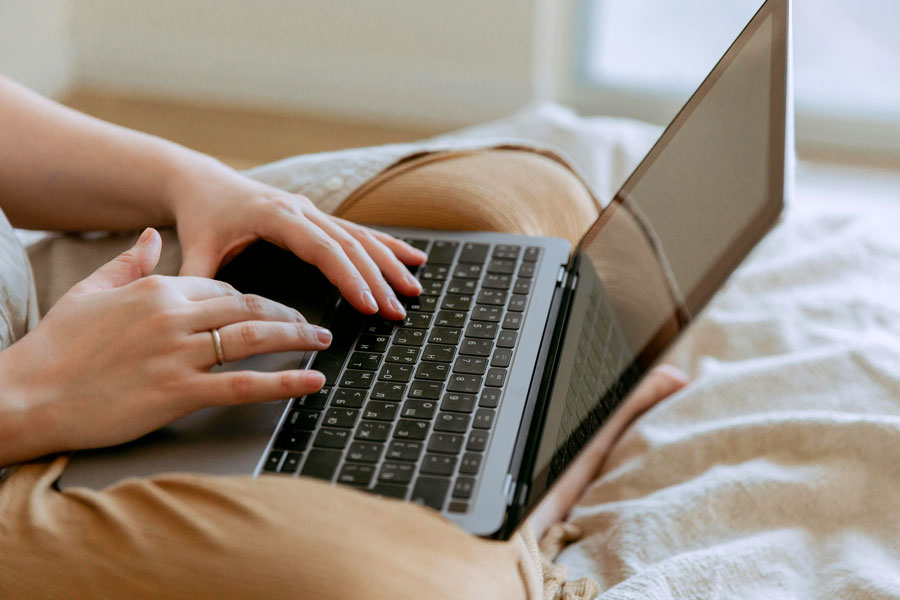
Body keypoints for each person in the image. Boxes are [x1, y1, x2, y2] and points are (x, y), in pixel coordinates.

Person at [0, 74, 687, 599]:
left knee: (518, 200)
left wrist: (197, 183)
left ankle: (496, 482)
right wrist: (35, 393)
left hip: (29, 307)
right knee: (400, 586)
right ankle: (532, 505)